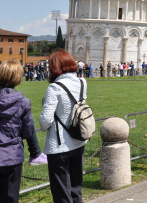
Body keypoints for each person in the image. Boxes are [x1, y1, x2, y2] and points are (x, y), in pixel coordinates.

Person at [39, 49, 87, 203]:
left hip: (59, 144)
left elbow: (45, 121)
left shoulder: (55, 88)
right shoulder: (82, 82)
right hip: (78, 138)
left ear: (55, 67)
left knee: (61, 191)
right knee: (75, 187)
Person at [0, 59, 47, 203]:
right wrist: (35, 151)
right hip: (11, 155)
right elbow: (28, 130)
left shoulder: (23, 102)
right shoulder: (23, 102)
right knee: (10, 197)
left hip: (10, 153)